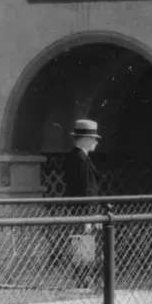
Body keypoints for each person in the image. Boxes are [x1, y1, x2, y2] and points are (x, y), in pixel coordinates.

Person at [61, 116, 103, 285]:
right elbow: (86, 190)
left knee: (83, 243)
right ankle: (83, 278)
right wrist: (89, 216)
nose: (96, 142)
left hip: (81, 210)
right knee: (84, 244)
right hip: (83, 211)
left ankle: (83, 277)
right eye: (94, 138)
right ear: (86, 139)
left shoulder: (78, 157)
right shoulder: (80, 159)